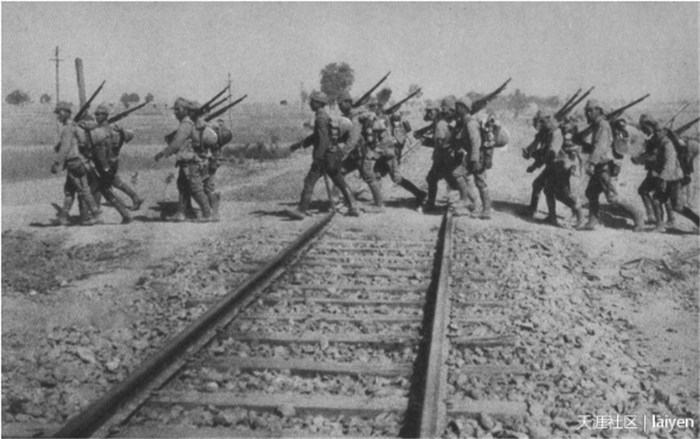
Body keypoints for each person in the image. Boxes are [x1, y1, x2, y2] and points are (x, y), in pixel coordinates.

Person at [287, 91, 360, 220]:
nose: (310, 103)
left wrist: (318, 158)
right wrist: (300, 144)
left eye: (312, 101)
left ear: (318, 103)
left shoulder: (320, 118)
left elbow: (322, 140)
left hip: (325, 156)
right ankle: (353, 206)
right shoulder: (324, 116)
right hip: (333, 154)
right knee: (339, 181)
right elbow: (317, 136)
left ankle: (301, 210)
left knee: (309, 181)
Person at [577, 99, 643, 231]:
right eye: (587, 111)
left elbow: (600, 146)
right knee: (591, 193)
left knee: (612, 197)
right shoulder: (597, 125)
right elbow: (596, 146)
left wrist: (591, 163)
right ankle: (592, 221)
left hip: (604, 166)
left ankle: (638, 217)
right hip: (600, 164)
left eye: (591, 111)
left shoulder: (602, 125)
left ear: (599, 111)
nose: (588, 114)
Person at [633, 114, 698, 231]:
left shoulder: (667, 144)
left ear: (664, 132)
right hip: (667, 178)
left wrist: (662, 178)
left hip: (674, 178)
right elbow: (651, 155)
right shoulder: (658, 142)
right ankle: (660, 225)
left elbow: (670, 163)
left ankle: (697, 221)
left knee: (677, 207)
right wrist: (638, 160)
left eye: (659, 132)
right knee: (657, 201)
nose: (657, 134)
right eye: (656, 132)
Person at [154, 98, 212, 222]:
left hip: (190, 162)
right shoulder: (187, 123)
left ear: (185, 110)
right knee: (182, 186)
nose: (175, 112)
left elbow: (176, 143)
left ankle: (208, 214)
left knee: (195, 188)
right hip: (186, 161)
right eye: (174, 109)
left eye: (178, 109)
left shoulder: (186, 125)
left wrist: (162, 153)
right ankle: (181, 213)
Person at [78, 104, 135, 224]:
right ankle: (125, 214)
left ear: (105, 116)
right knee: (104, 191)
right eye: (96, 114)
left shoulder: (100, 132)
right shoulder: (105, 129)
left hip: (104, 166)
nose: (96, 116)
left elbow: (100, 152)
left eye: (99, 114)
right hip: (108, 165)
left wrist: (105, 168)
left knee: (89, 191)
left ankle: (87, 217)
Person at [51, 101, 102, 226]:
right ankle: (63, 217)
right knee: (69, 190)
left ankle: (96, 214)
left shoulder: (67, 129)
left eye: (59, 113)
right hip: (77, 162)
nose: (58, 115)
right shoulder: (74, 126)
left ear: (66, 113)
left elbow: (65, 148)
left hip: (74, 163)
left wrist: (56, 163)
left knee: (83, 190)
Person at [423, 96, 475, 214]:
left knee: (454, 181)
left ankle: (474, 202)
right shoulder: (445, 121)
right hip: (445, 158)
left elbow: (441, 144)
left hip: (444, 158)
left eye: (431, 111)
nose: (429, 114)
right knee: (437, 179)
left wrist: (426, 142)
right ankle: (474, 202)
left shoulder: (441, 124)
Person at [337, 92, 385, 211]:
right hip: (354, 154)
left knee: (369, 178)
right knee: (340, 172)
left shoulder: (355, 118)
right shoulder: (351, 116)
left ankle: (379, 205)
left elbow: (352, 141)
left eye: (341, 104)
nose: (339, 107)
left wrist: (341, 155)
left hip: (361, 154)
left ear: (348, 103)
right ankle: (344, 199)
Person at [536, 111, 584, 227]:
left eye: (543, 121)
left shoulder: (561, 134)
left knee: (563, 194)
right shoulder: (554, 132)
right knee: (548, 191)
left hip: (562, 166)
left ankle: (580, 217)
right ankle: (552, 217)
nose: (565, 125)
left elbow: (555, 151)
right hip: (554, 165)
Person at [372, 113, 427, 209]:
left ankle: (419, 193)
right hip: (384, 155)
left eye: (397, 120)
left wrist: (388, 142)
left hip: (391, 156)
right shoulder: (387, 126)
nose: (395, 122)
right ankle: (378, 200)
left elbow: (398, 142)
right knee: (376, 173)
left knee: (397, 178)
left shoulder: (399, 129)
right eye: (394, 120)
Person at [454, 97, 491, 218]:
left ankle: (486, 210)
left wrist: (474, 160)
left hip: (477, 157)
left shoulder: (471, 123)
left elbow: (475, 142)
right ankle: (471, 202)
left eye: (458, 107)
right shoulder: (464, 121)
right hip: (470, 156)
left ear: (464, 108)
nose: (456, 109)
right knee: (457, 174)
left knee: (480, 182)